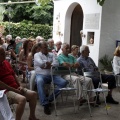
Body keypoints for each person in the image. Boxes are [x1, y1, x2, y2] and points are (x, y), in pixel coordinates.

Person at [0, 47, 39, 120]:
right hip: (4, 91)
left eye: (4, 53)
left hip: (15, 88)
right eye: (2, 54)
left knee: (33, 94)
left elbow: (14, 75)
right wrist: (15, 90)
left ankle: (32, 116)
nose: (4, 55)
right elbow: (1, 84)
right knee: (22, 99)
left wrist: (20, 85)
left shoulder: (6, 62)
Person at [34, 41, 68, 115]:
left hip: (53, 75)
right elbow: (40, 63)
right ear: (40, 48)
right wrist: (48, 64)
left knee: (64, 82)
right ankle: (45, 104)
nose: (47, 48)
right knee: (39, 82)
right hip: (41, 75)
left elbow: (56, 63)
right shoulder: (37, 55)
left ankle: (49, 99)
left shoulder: (52, 54)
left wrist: (46, 65)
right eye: (45, 47)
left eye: (47, 47)